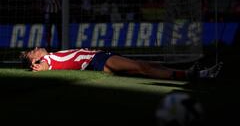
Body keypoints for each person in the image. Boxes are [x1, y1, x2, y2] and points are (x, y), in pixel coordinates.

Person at [19, 47, 223, 81]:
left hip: (98, 57)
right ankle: (190, 75)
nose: (37, 47)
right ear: (34, 58)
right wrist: (39, 66)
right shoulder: (48, 60)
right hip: (96, 60)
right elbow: (44, 66)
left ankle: (199, 73)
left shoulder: (53, 55)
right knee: (143, 68)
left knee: (145, 65)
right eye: (32, 51)